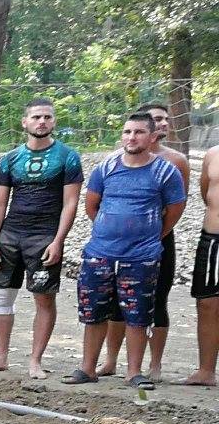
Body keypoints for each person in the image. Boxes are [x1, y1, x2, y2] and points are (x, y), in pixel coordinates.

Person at [66, 111, 187, 388]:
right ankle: (87, 369)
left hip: (142, 256)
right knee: (93, 312)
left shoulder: (166, 171)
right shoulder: (105, 168)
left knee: (138, 313)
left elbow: (175, 210)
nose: (132, 137)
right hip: (100, 253)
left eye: (139, 132)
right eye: (127, 132)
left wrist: (153, 235)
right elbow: (91, 205)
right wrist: (111, 229)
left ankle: (133, 372)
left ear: (152, 136)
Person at [0, 99, 80, 378]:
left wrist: (58, 241)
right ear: (25, 122)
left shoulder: (68, 156)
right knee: (3, 295)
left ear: (54, 121)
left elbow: (70, 203)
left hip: (44, 237)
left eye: (47, 117)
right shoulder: (11, 158)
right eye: (36, 117)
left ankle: (35, 361)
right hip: (10, 235)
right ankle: (0, 357)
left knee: (44, 299)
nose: (42, 122)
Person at [95, 103, 193, 379]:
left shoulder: (176, 161)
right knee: (117, 301)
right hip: (118, 243)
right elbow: (97, 204)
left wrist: (156, 234)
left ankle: (154, 365)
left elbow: (177, 204)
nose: (162, 123)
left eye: (165, 119)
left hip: (157, 239)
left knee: (157, 299)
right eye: (156, 119)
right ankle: (111, 361)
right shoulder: (114, 161)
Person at [189, 149, 219, 386]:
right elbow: (205, 193)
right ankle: (206, 371)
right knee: (207, 303)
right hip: (213, 237)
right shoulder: (213, 154)